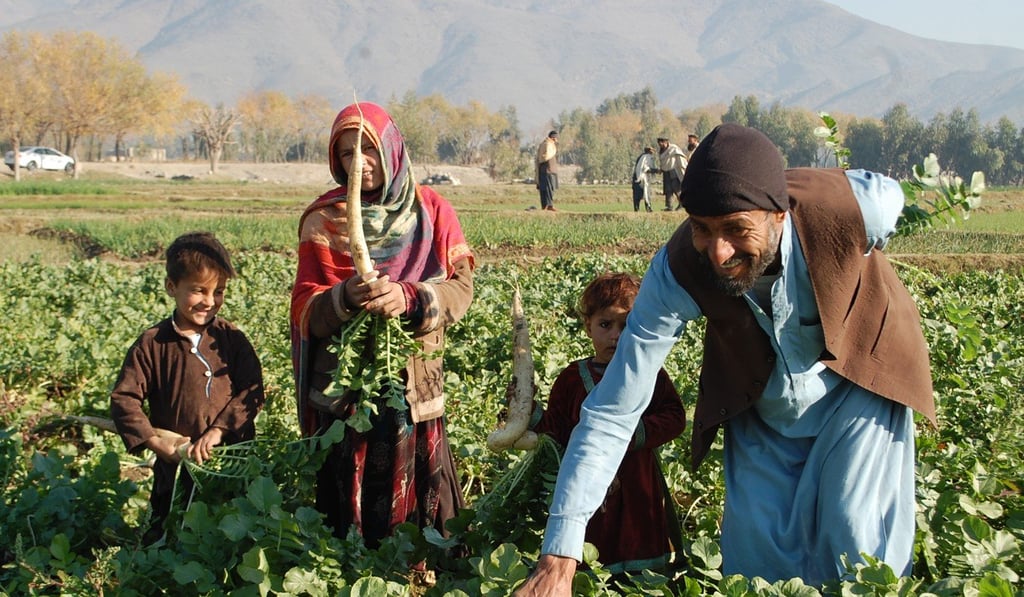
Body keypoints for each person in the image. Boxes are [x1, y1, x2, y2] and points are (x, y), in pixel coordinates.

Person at [514, 123, 935, 594]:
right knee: (757, 559)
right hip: (761, 399)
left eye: (736, 229)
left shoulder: (847, 209)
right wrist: (559, 554)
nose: (718, 251)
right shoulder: (675, 270)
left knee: (855, 540)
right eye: (702, 228)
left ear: (778, 215)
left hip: (857, 381)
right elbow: (614, 409)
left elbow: (889, 198)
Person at [290, 102, 474, 549]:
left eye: (369, 150)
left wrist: (410, 297)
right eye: (348, 154)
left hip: (414, 383)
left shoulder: (432, 210)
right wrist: (344, 297)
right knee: (350, 494)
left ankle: (419, 570)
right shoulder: (323, 220)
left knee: (419, 503)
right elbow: (303, 310)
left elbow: (461, 290)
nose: (360, 164)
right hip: (347, 392)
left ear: (391, 150)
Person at [110, 231, 266, 542]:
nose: (210, 302)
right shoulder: (152, 344)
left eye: (218, 292)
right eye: (199, 291)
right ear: (172, 287)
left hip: (231, 461)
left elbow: (252, 389)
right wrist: (157, 443)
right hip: (177, 465)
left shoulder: (231, 339)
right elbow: (124, 399)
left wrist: (219, 431)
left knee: (231, 530)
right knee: (169, 527)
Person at [530, 272, 685, 574]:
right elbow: (558, 428)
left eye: (626, 325)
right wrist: (529, 412)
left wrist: (634, 434)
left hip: (639, 482)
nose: (616, 335)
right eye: (605, 325)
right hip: (591, 492)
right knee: (593, 553)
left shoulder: (650, 373)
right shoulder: (572, 378)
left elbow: (675, 417)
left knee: (641, 551)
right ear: (588, 327)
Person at [657, 137, 687, 211]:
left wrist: (683, 167)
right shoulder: (661, 151)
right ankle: (669, 206)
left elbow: (681, 157)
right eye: (659, 143)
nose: (661, 145)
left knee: (676, 188)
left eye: (662, 143)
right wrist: (661, 168)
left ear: (666, 142)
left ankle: (681, 203)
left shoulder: (674, 148)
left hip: (673, 170)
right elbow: (663, 161)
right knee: (668, 190)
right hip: (666, 172)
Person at [536, 130, 559, 211]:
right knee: (549, 188)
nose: (557, 140)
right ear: (553, 138)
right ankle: (549, 205)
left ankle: (544, 205)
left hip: (545, 170)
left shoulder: (544, 144)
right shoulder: (548, 144)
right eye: (556, 138)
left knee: (544, 188)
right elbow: (546, 157)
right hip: (548, 170)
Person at [631, 146, 658, 212]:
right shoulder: (647, 157)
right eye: (652, 150)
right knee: (643, 194)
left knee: (643, 194)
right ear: (649, 151)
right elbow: (646, 168)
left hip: (639, 178)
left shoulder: (641, 157)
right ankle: (646, 209)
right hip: (641, 179)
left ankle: (639, 209)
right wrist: (656, 170)